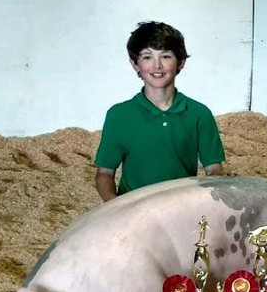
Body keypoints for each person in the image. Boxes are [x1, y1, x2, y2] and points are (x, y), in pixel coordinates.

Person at [94, 21, 226, 202]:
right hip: (133, 211)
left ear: (181, 62)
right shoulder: (119, 115)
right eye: (147, 57)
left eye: (165, 56)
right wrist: (116, 207)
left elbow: (214, 170)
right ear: (135, 64)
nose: (157, 66)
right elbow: (104, 174)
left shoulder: (199, 113)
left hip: (182, 208)